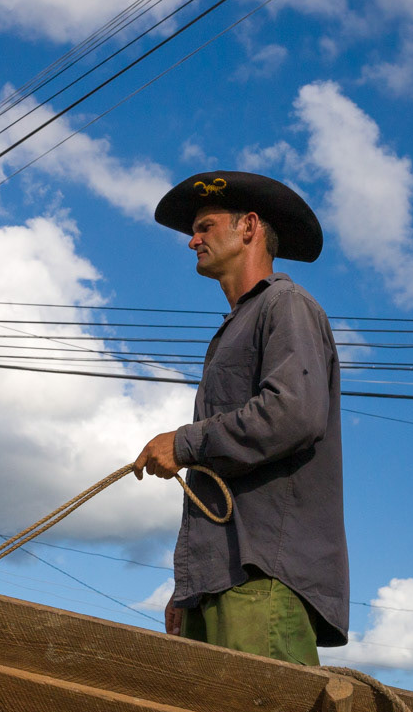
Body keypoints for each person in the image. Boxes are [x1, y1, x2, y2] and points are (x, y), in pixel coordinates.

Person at [133, 170, 348, 666]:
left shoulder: (285, 304)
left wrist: (184, 444)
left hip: (260, 579)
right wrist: (189, 589)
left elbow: (292, 413)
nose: (193, 241)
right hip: (220, 581)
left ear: (249, 226)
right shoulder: (237, 325)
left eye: (205, 226)